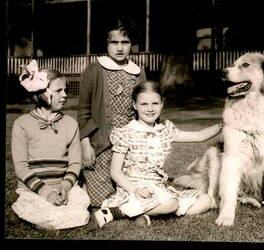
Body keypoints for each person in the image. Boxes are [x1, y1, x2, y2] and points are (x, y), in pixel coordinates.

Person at [94, 80, 222, 228]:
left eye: (155, 103)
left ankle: (144, 214)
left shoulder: (164, 130)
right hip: (134, 188)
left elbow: (198, 136)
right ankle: (116, 211)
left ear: (162, 104)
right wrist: (135, 190)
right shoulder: (126, 133)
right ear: (135, 105)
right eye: (144, 104)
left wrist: (224, 124)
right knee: (172, 204)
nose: (150, 109)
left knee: (205, 201)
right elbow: (115, 172)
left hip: (157, 188)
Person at [11, 60, 90, 230]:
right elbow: (21, 167)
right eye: (59, 91)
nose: (65, 95)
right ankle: (47, 215)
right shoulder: (22, 124)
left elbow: (75, 162)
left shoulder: (70, 124)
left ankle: (57, 214)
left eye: (65, 90)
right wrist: (46, 192)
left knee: (79, 211)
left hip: (63, 186)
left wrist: (65, 186)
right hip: (35, 189)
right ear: (41, 93)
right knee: (43, 211)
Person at [78, 17, 147, 208]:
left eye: (125, 42)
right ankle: (84, 181)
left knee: (137, 195)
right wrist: (85, 144)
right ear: (106, 44)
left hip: (129, 144)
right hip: (101, 144)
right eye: (114, 42)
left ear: (131, 44)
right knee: (101, 201)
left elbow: (144, 109)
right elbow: (83, 112)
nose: (119, 48)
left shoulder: (137, 72)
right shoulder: (94, 69)